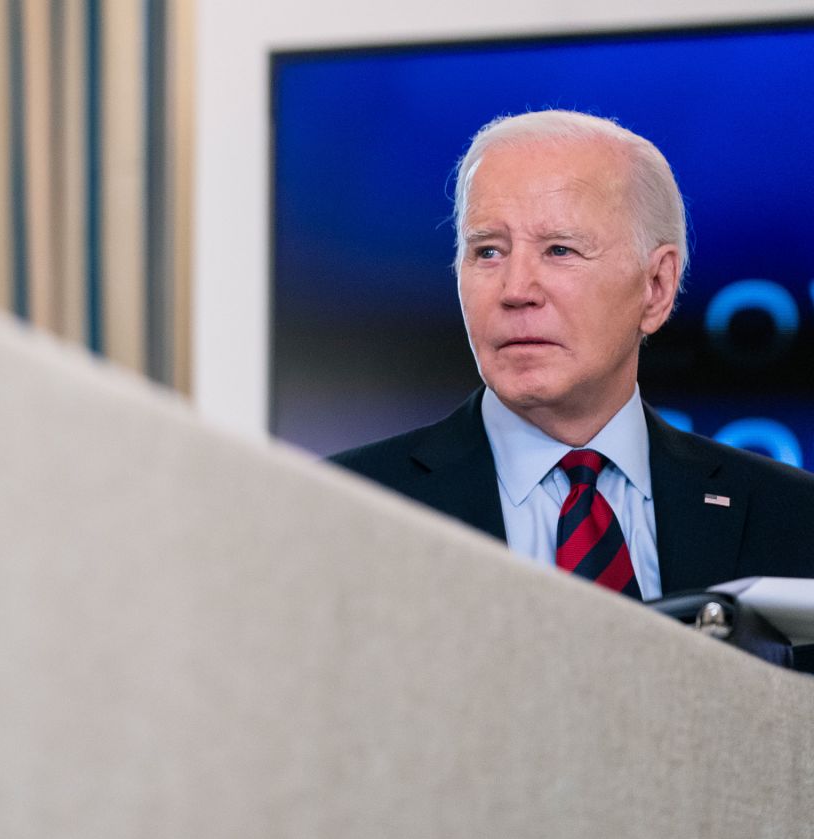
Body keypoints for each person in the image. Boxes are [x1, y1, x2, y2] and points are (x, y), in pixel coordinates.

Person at [330, 110, 814, 600]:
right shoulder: (344, 507)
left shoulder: (794, 516)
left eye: (560, 250)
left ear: (656, 286)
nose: (516, 289)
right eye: (489, 252)